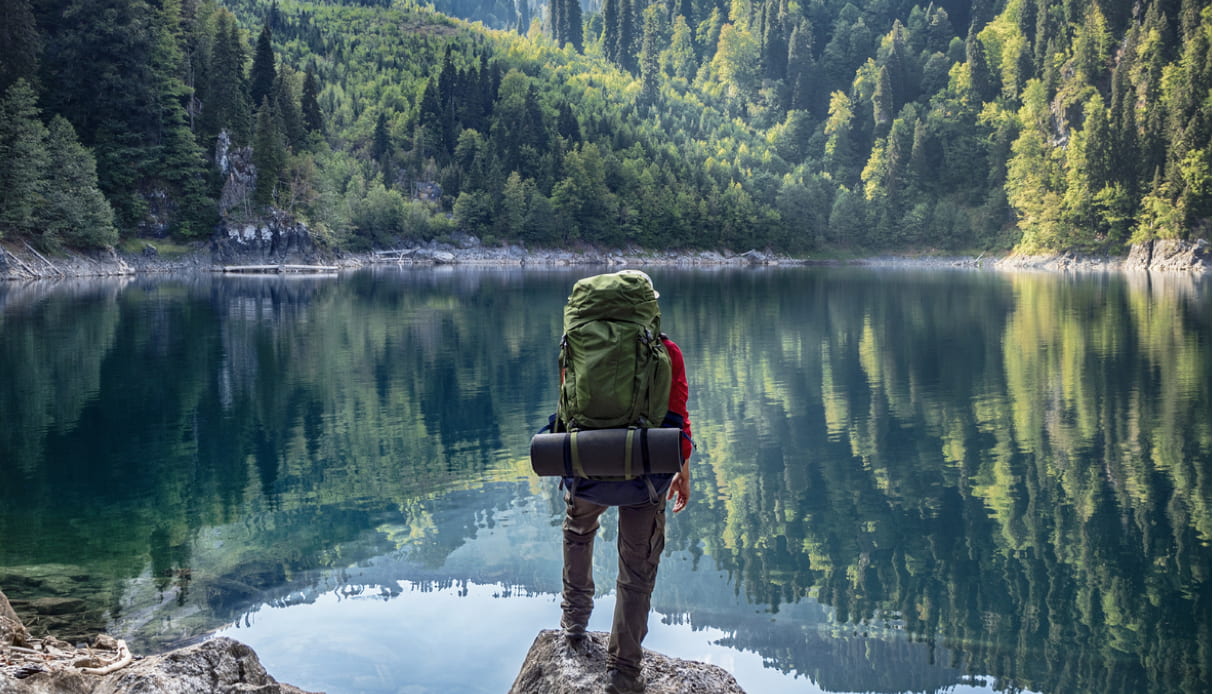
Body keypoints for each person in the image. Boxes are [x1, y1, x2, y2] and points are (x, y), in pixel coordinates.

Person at [558, 271, 693, 694]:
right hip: (644, 473)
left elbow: (566, 405)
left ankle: (574, 622)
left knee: (579, 532)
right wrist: (682, 471)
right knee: (636, 569)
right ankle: (623, 672)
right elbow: (678, 415)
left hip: (585, 465)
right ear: (647, 309)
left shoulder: (574, 348)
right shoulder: (666, 351)